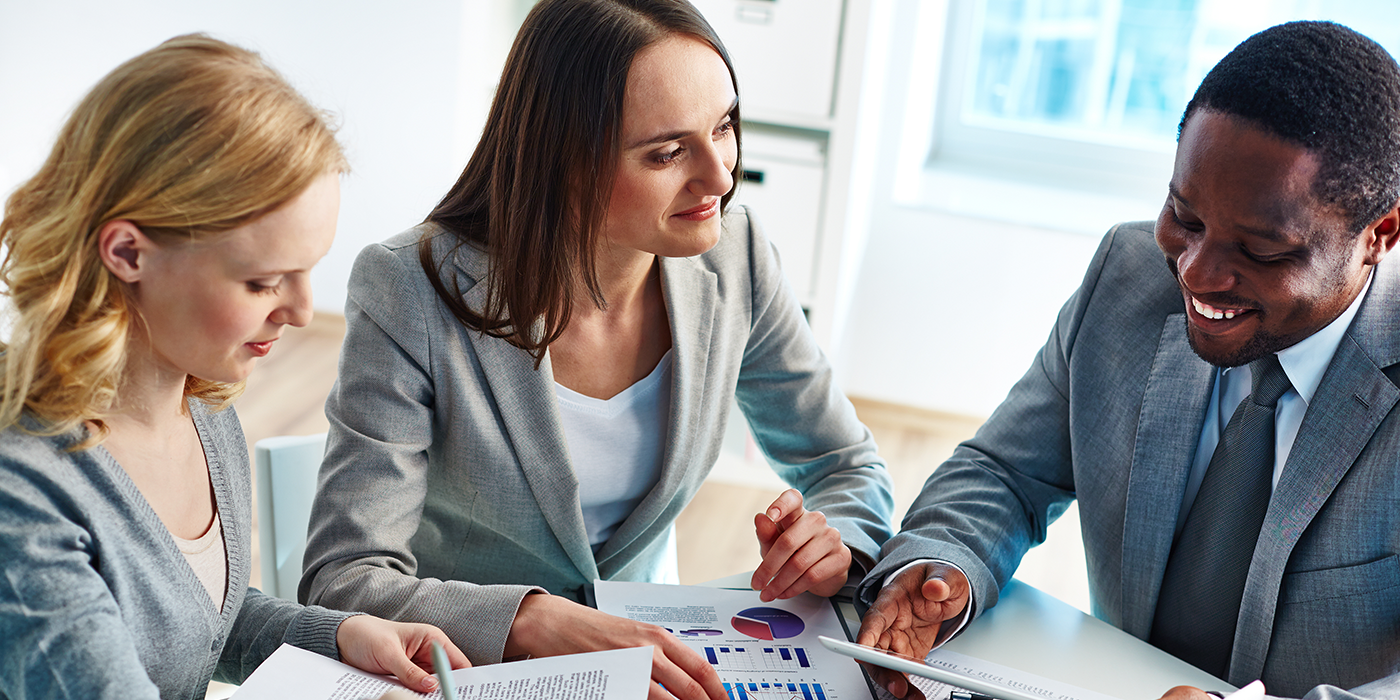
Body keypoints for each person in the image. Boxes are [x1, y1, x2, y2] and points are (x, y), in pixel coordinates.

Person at [299, 0, 894, 698]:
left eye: (724, 126)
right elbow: (345, 577)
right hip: (470, 673)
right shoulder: (411, 287)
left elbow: (847, 464)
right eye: (668, 153)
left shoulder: (737, 258)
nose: (720, 176)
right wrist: (528, 620)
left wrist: (838, 544)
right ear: (565, 159)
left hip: (652, 669)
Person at [855, 20, 1400, 700]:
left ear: (1380, 234)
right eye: (1185, 215)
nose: (1197, 273)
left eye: (1259, 249)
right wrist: (943, 566)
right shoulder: (1129, 277)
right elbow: (1007, 472)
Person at [0, 35, 470, 699]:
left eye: (307, 273)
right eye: (263, 282)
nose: (303, 313)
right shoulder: (21, 493)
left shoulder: (204, 411)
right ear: (129, 253)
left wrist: (335, 635)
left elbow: (196, 626)